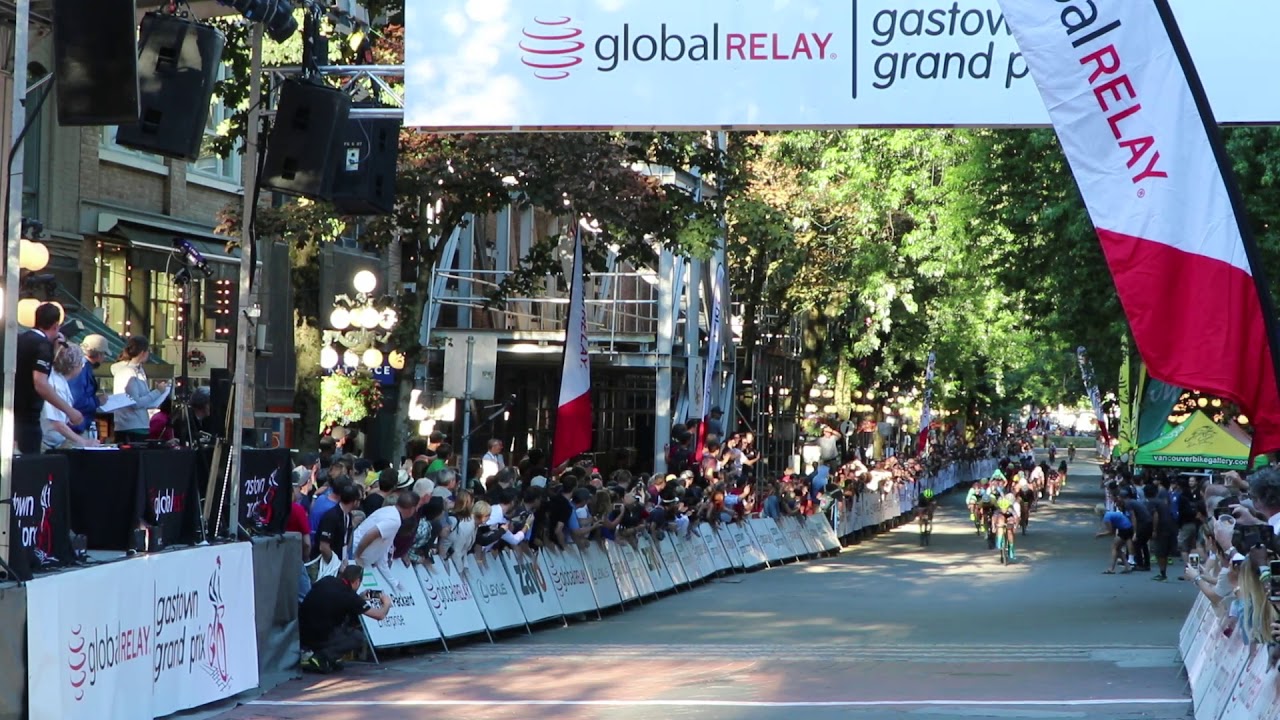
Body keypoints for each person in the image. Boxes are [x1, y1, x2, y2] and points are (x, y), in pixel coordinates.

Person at [299, 565, 391, 673]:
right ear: (357, 581)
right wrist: (387, 604)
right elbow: (380, 615)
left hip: (302, 631)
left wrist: (359, 598)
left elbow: (334, 600)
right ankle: (322, 657)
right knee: (357, 637)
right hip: (320, 636)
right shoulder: (350, 597)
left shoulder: (327, 580)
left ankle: (321, 656)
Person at [16, 303, 82, 453]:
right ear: (56, 325)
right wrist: (70, 411)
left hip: (13, 412)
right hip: (29, 416)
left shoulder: (21, 339)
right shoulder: (42, 346)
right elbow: (40, 383)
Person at [40, 343, 99, 450]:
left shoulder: (60, 381)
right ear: (76, 366)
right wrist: (83, 441)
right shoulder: (56, 384)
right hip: (46, 444)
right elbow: (56, 423)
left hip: (52, 441)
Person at [110, 336, 169, 443]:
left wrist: (161, 393)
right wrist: (158, 392)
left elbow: (145, 401)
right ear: (143, 352)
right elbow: (135, 402)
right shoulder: (128, 372)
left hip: (138, 424)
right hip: (131, 427)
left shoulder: (138, 370)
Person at [68, 333, 109, 436]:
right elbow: (76, 400)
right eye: (104, 354)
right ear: (99, 355)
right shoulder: (81, 368)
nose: (104, 359)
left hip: (74, 426)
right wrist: (97, 401)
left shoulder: (80, 366)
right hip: (75, 427)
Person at [1097, 506, 1134, 574]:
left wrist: (1101, 534)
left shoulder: (1106, 518)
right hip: (1128, 528)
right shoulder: (1110, 514)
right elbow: (1113, 529)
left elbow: (1111, 531)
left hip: (1124, 530)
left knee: (1114, 547)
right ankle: (1127, 566)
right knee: (1118, 548)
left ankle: (1111, 568)